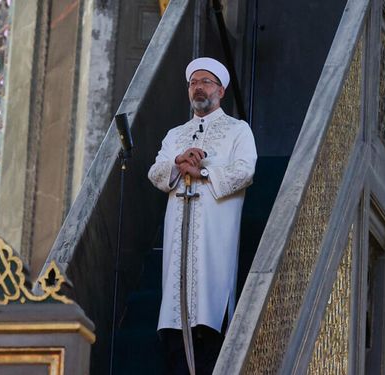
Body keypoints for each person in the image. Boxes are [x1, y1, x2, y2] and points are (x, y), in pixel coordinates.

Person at [148, 57, 257, 374]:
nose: (199, 87)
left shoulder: (238, 130)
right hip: (178, 239)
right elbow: (156, 172)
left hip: (215, 238)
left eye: (206, 82)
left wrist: (203, 171)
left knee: (208, 318)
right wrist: (178, 162)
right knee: (174, 321)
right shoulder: (175, 135)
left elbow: (244, 172)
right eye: (194, 82)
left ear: (221, 91)